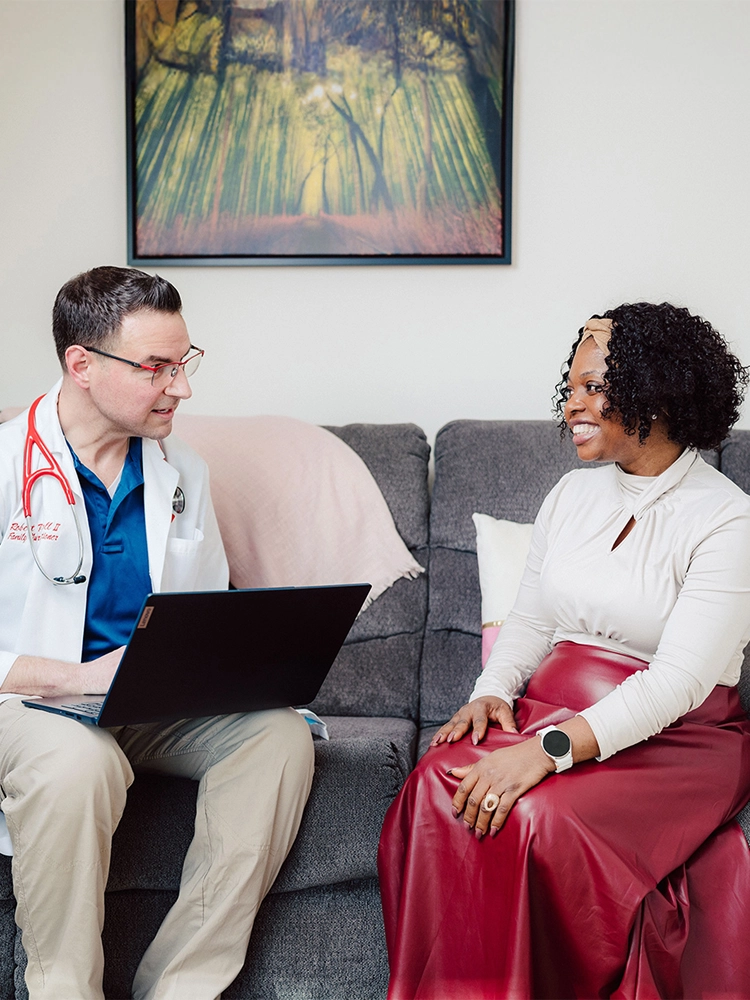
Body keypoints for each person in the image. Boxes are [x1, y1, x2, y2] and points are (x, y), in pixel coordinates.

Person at [378, 302, 750, 999]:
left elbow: (678, 682)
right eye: (569, 387)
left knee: (536, 816)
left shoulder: (727, 518)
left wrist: (546, 754)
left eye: (592, 387)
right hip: (552, 708)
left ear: (656, 390)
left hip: (678, 737)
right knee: (437, 784)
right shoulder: (571, 496)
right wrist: (491, 692)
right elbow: (528, 620)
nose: (570, 405)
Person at [0, 266, 315, 1000]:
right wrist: (78, 678)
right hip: (24, 707)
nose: (182, 387)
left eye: (185, 362)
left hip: (143, 700)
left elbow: (195, 616)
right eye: (156, 368)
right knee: (81, 765)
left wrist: (243, 671)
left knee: (275, 736)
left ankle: (180, 988)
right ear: (81, 365)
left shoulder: (182, 471)